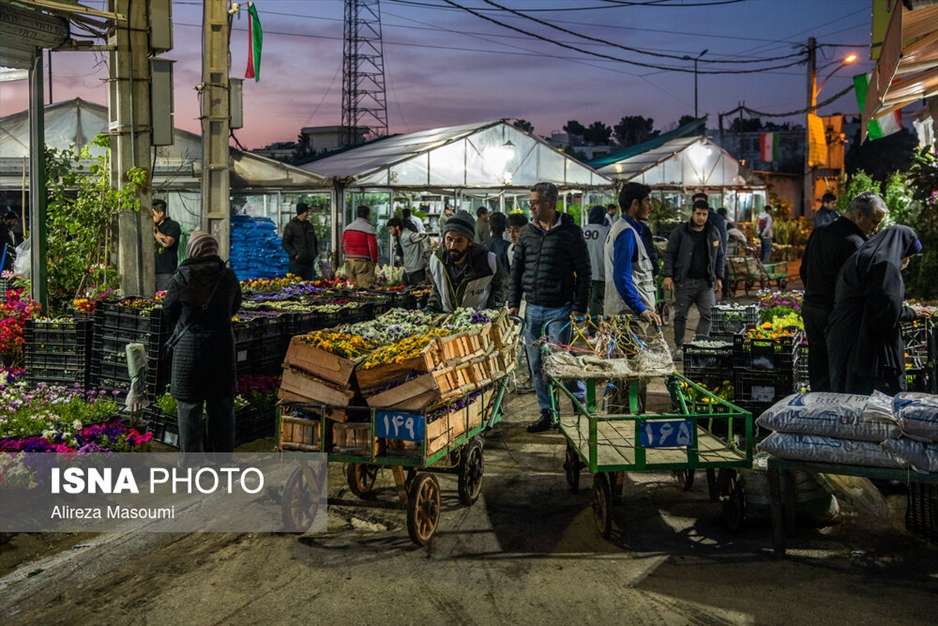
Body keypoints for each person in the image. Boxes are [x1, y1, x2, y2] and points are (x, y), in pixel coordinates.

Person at [508, 182, 590, 433]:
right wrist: (513, 303)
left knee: (561, 362)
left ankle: (580, 403)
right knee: (536, 365)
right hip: (532, 309)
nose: (531, 207)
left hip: (560, 310)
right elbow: (517, 269)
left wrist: (579, 307)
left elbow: (585, 272)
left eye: (535, 203)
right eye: (530, 202)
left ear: (551, 204)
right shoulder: (527, 233)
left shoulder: (570, 233)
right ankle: (548, 411)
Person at [161, 232, 242, 468]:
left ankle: (191, 463)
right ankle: (222, 461)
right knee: (222, 406)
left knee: (189, 407)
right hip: (221, 349)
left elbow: (168, 310)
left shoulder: (182, 277)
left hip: (190, 351)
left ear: (192, 250)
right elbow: (235, 306)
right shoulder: (228, 277)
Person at [827, 225, 932, 395]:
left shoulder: (862, 256)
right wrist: (910, 313)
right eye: (908, 256)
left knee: (847, 392)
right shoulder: (886, 265)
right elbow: (886, 307)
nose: (906, 261)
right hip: (863, 340)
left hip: (844, 331)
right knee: (870, 397)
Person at [800, 192, 887, 392]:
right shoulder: (855, 243)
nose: (875, 229)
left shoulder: (820, 231)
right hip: (836, 313)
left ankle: (817, 411)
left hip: (811, 308)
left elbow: (804, 271)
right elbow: (856, 286)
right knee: (838, 369)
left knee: (818, 364)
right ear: (858, 215)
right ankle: (835, 415)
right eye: (874, 222)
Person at [605, 183, 661, 414]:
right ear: (635, 203)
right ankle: (629, 423)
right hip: (628, 316)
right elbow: (622, 276)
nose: (650, 207)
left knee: (624, 370)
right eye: (647, 201)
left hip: (623, 313)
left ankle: (621, 418)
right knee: (634, 371)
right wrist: (640, 309)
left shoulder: (625, 229)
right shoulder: (626, 233)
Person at [662, 200, 725, 360]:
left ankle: (698, 345)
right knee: (680, 315)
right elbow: (669, 254)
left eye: (704, 214)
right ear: (692, 213)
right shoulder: (680, 232)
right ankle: (680, 347)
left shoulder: (713, 232)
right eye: (698, 214)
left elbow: (719, 256)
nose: (701, 218)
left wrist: (719, 277)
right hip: (684, 282)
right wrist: (668, 275)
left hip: (705, 283)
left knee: (708, 314)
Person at [426, 210, 506, 313]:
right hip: (447, 323)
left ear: (470, 242)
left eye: (459, 240)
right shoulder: (435, 261)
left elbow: (502, 286)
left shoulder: (488, 261)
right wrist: (431, 308)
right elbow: (437, 290)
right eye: (449, 239)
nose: (452, 245)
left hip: (478, 322)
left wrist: (493, 309)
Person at [340, 205, 379, 287]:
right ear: (368, 215)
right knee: (363, 289)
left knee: (351, 287)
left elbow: (343, 245)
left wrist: (347, 255)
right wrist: (374, 261)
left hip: (349, 261)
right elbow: (373, 247)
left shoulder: (348, 227)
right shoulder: (369, 228)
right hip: (363, 262)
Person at [583, 205, 610, 317]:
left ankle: (581, 324)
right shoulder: (606, 231)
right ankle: (594, 328)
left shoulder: (582, 230)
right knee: (597, 300)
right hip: (600, 270)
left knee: (586, 300)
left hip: (583, 272)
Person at [281, 202, 320, 280]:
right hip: (297, 263)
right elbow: (285, 243)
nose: (309, 213)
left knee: (309, 287)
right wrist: (295, 254)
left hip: (309, 263)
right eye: (307, 211)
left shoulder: (309, 226)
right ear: (302, 212)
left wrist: (314, 253)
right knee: (296, 287)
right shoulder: (291, 226)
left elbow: (314, 241)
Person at [388, 217, 430, 285]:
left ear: (397, 227)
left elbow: (424, 237)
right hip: (408, 271)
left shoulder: (408, 236)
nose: (389, 231)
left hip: (417, 271)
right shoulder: (400, 237)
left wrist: (427, 252)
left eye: (391, 228)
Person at [152, 199, 181, 293]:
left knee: (163, 300)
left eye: (153, 214)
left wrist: (154, 229)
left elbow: (166, 242)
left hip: (165, 272)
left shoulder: (173, 226)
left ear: (161, 213)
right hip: (150, 271)